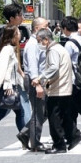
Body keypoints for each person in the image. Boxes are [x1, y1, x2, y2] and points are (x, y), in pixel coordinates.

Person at [37, 26, 76, 153]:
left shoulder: (53, 50)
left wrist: (40, 78)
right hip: (64, 87)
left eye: (40, 41)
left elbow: (53, 68)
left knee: (54, 118)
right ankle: (72, 137)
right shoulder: (59, 48)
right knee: (63, 116)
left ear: (46, 40)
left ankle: (59, 144)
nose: (39, 44)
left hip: (57, 88)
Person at [23, 16, 50, 151]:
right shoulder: (33, 44)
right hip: (35, 80)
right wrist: (37, 83)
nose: (48, 29)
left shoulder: (37, 42)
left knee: (43, 111)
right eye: (45, 27)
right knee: (38, 112)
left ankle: (26, 134)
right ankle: (35, 143)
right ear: (37, 29)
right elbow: (33, 65)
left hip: (38, 79)